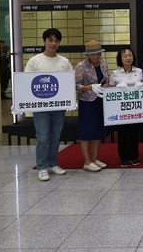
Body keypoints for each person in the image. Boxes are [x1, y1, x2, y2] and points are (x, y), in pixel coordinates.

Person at [25, 28, 73, 181]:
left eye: (56, 41)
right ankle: (41, 167)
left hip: (58, 107)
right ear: (44, 41)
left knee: (55, 136)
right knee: (42, 137)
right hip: (41, 108)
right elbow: (25, 84)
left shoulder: (64, 61)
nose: (53, 43)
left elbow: (70, 83)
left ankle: (53, 163)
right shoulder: (34, 61)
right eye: (50, 40)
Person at [75, 40, 110, 172]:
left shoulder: (103, 64)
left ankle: (95, 159)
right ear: (87, 55)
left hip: (100, 100)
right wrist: (90, 87)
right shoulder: (81, 66)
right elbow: (75, 85)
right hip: (87, 102)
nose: (96, 57)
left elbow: (107, 80)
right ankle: (87, 161)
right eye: (93, 55)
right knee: (86, 132)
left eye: (98, 54)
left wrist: (105, 87)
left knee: (97, 131)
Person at [109, 46, 143, 167]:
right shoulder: (115, 73)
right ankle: (124, 158)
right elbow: (109, 89)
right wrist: (117, 87)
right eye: (125, 56)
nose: (128, 58)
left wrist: (142, 84)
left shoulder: (139, 71)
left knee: (134, 133)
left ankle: (134, 157)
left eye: (130, 55)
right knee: (123, 133)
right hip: (121, 109)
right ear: (120, 58)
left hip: (135, 108)